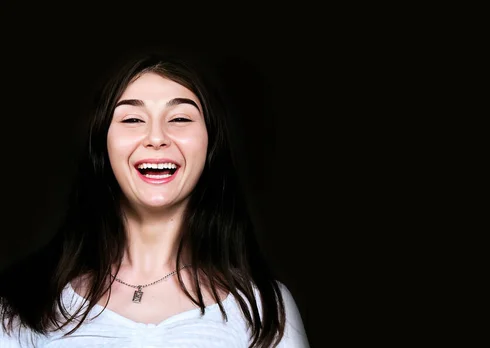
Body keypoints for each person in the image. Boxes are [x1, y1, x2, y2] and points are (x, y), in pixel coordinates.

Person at [0, 50, 309, 348]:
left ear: (210, 144)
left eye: (180, 118)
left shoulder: (263, 307)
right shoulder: (22, 303)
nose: (157, 137)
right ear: (103, 146)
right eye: (133, 119)